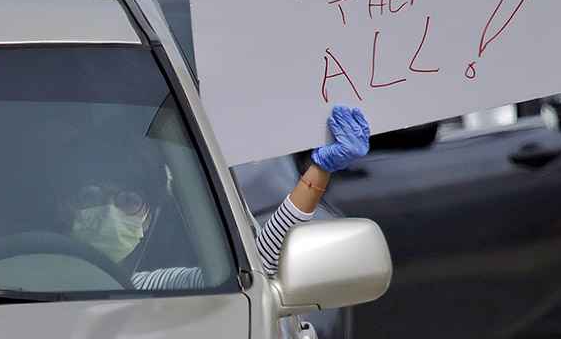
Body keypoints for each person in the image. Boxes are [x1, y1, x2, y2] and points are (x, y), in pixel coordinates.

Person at [64, 105, 370, 285]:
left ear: (150, 216)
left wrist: (319, 169)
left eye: (128, 202)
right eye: (91, 196)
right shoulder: (17, 284)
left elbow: (259, 265)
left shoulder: (143, 288)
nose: (107, 214)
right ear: (63, 203)